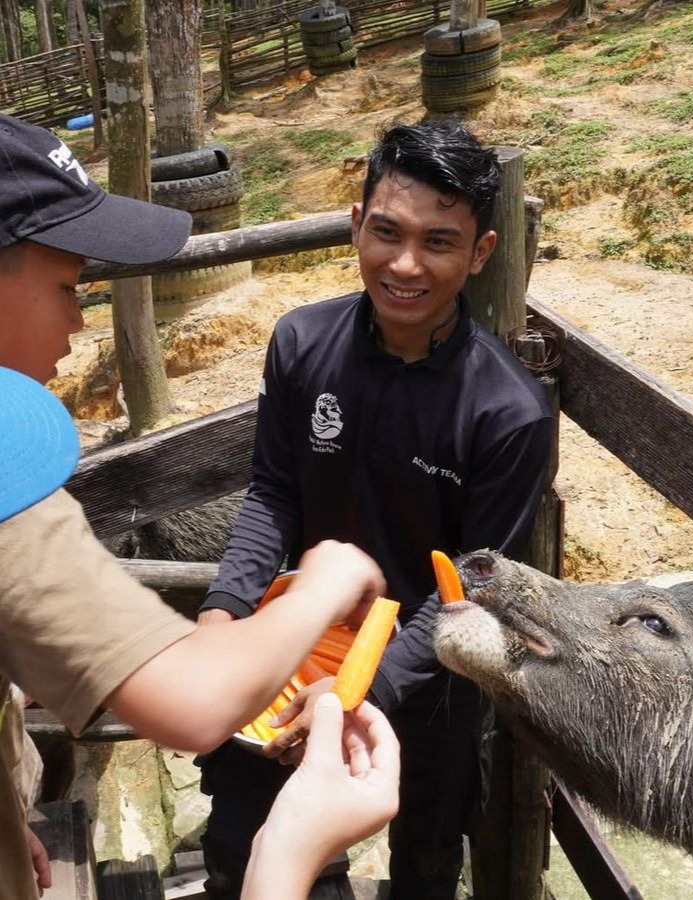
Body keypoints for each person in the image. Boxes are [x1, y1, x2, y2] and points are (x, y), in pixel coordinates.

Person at [0, 112, 399, 900]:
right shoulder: (11, 489)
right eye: (67, 286)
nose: (79, 325)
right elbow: (192, 700)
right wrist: (326, 579)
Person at [197, 119, 556, 899]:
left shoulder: (509, 412)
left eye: (439, 241)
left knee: (426, 863)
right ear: (357, 224)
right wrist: (225, 613)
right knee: (239, 844)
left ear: (481, 253)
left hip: (427, 679)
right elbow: (274, 493)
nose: (405, 264)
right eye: (387, 232)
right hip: (297, 649)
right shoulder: (300, 342)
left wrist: (368, 688)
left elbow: (472, 581)